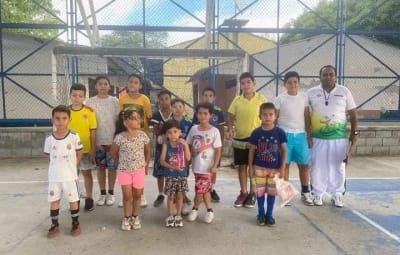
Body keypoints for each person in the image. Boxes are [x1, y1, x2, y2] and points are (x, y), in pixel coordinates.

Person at [306, 65, 358, 207]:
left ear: (335, 76)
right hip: (318, 138)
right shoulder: (311, 92)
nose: (328, 77)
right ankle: (317, 193)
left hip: (339, 138)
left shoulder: (344, 91)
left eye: (331, 74)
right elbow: (306, 114)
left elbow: (353, 114)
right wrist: (308, 134)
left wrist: (354, 134)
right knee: (317, 166)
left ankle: (337, 194)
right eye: (325, 75)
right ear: (320, 77)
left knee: (339, 166)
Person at [226, 72, 267, 208]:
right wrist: (230, 129)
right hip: (240, 139)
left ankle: (253, 193)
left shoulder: (262, 99)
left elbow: (268, 115)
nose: (246, 85)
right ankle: (243, 192)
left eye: (248, 82)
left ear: (254, 84)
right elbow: (231, 116)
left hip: (257, 139)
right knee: (242, 166)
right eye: (243, 83)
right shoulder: (237, 100)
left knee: (254, 168)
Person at [44, 105, 83, 238]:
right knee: (54, 200)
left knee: (73, 200)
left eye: (64, 118)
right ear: (52, 120)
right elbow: (48, 156)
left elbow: (79, 153)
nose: (61, 121)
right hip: (54, 177)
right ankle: (55, 225)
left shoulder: (74, 136)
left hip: (70, 177)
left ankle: (75, 223)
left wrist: (73, 166)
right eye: (57, 118)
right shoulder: (49, 139)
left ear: (69, 120)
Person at [275, 71, 313, 206]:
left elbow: (307, 117)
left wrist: (309, 136)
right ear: (285, 84)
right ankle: (285, 195)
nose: (293, 84)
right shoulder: (280, 98)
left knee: (304, 165)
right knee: (285, 166)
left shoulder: (304, 97)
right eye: (290, 82)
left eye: (295, 82)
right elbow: (275, 118)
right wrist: (275, 137)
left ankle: (305, 192)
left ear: (299, 83)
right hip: (285, 135)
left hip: (301, 136)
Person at [110, 109, 151, 230]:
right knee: (127, 196)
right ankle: (126, 217)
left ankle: (135, 216)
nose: (138, 120)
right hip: (124, 171)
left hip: (139, 170)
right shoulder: (120, 137)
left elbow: (148, 151)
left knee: (137, 194)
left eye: (139, 117)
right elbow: (113, 152)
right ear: (125, 122)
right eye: (134, 118)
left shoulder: (143, 135)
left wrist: (146, 165)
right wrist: (121, 163)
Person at [249, 102, 287, 226]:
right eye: (264, 115)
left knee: (272, 193)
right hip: (259, 168)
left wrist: (282, 168)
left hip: (274, 169)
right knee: (259, 192)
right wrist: (251, 167)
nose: (267, 117)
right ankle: (261, 214)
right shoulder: (256, 133)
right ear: (260, 116)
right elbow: (251, 150)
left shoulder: (280, 132)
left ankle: (269, 215)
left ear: (275, 116)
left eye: (270, 114)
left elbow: (284, 150)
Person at [118, 73, 152, 208]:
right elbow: (121, 118)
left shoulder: (145, 99)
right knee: (126, 167)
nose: (133, 84)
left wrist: (142, 134)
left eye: (136, 82)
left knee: (140, 167)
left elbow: (148, 117)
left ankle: (141, 195)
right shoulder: (122, 99)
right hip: (126, 136)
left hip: (141, 137)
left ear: (140, 86)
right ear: (127, 84)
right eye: (130, 82)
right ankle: (126, 197)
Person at [186, 102, 222, 224]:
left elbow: (218, 150)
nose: (202, 116)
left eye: (205, 113)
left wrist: (215, 165)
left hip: (208, 168)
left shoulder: (215, 131)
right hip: (197, 166)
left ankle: (198, 209)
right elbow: (189, 145)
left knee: (201, 189)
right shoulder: (193, 129)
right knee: (202, 189)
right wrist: (188, 160)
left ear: (210, 115)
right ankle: (207, 210)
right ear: (196, 114)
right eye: (200, 113)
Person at [86, 76, 119, 207]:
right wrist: (92, 143)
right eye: (100, 84)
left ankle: (111, 193)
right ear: (96, 87)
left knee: (112, 168)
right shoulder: (89, 102)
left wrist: (117, 140)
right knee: (100, 168)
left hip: (112, 141)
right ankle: (102, 193)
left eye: (106, 84)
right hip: (98, 141)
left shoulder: (115, 101)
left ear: (109, 87)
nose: (103, 86)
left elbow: (118, 121)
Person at [192, 87, 225, 202]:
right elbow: (194, 130)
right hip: (201, 148)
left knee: (213, 168)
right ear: (202, 97)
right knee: (201, 168)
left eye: (210, 95)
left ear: (214, 97)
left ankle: (211, 189)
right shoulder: (198, 111)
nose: (208, 97)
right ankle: (201, 189)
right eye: (205, 95)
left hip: (214, 146)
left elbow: (221, 128)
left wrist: (221, 143)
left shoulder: (218, 111)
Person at [68, 83, 97, 211]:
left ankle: (89, 198)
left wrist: (93, 149)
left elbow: (93, 132)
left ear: (84, 97)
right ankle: (75, 198)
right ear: (70, 96)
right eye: (74, 95)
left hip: (85, 150)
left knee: (87, 174)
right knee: (72, 175)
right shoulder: (65, 111)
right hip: (69, 151)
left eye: (80, 96)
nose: (77, 98)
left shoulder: (89, 111)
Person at [160, 119, 191, 227]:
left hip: (181, 175)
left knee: (179, 196)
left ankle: (178, 215)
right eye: (169, 132)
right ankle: (170, 215)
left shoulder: (183, 144)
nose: (173, 135)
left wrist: (186, 146)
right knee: (171, 196)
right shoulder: (166, 145)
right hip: (170, 175)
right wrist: (171, 166)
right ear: (166, 134)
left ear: (180, 132)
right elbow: (162, 161)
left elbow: (188, 158)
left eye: (175, 131)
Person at [151, 90, 173, 207]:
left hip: (173, 148)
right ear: (159, 101)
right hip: (160, 148)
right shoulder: (156, 115)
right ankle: (160, 194)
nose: (164, 101)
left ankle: (173, 193)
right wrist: (164, 134)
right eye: (161, 99)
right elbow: (156, 131)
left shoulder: (175, 113)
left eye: (166, 98)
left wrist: (165, 133)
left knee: (172, 171)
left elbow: (177, 130)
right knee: (160, 173)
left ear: (170, 100)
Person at [170, 98, 193, 206]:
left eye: (180, 106)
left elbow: (192, 141)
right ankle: (173, 195)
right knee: (171, 175)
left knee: (183, 175)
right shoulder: (169, 123)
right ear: (171, 109)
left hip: (184, 154)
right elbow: (165, 138)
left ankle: (183, 195)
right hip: (172, 155)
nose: (177, 109)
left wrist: (190, 155)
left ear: (184, 108)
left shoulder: (189, 123)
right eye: (175, 106)